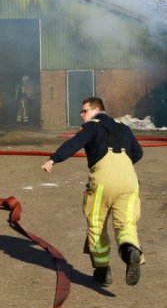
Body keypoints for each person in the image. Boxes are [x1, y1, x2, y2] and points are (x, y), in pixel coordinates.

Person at [41, 97, 144, 286]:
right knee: (126, 224)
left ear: (96, 110)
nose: (81, 115)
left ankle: (103, 271)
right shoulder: (124, 127)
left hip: (103, 181)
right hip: (130, 181)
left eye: (84, 111)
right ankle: (130, 251)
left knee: (97, 223)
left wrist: (53, 159)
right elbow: (138, 153)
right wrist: (122, 166)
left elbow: (74, 144)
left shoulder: (92, 126)